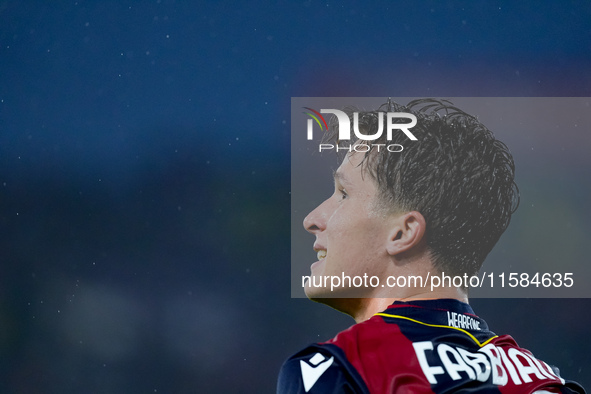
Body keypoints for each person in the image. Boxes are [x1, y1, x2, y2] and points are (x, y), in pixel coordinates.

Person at [277, 99, 586, 393]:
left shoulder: (337, 369)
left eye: (343, 194)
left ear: (403, 233)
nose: (312, 219)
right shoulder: (546, 381)